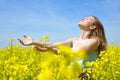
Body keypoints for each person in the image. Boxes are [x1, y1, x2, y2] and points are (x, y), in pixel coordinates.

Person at [18, 15, 107, 66]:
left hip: (85, 77)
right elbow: (55, 44)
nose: (83, 18)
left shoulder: (95, 41)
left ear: (92, 27)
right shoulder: (73, 40)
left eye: (88, 19)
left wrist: (54, 50)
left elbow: (75, 54)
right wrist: (34, 41)